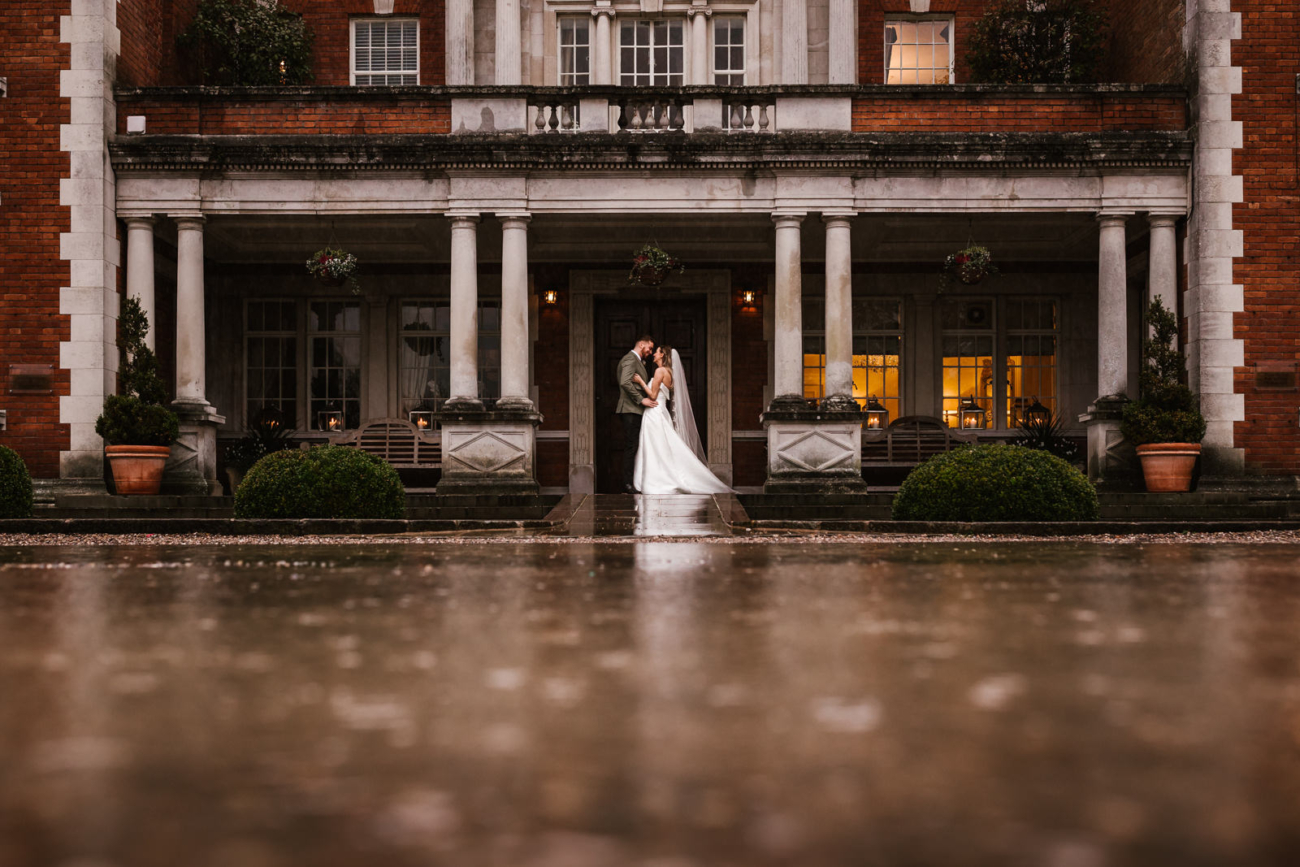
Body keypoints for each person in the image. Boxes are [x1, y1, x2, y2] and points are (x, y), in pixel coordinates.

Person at [632, 345, 732, 495]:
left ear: (662, 355)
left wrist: (640, 381)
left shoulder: (660, 371)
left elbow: (652, 396)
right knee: (661, 446)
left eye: (657, 352)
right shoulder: (669, 373)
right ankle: (659, 477)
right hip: (662, 411)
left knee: (655, 446)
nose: (653, 354)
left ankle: (657, 480)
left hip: (654, 411)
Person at [615, 335, 657, 493]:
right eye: (649, 348)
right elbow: (625, 382)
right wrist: (641, 400)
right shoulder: (631, 359)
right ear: (641, 344)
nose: (650, 352)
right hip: (631, 410)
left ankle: (632, 482)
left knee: (633, 446)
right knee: (631, 447)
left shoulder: (636, 360)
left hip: (634, 410)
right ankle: (627, 484)